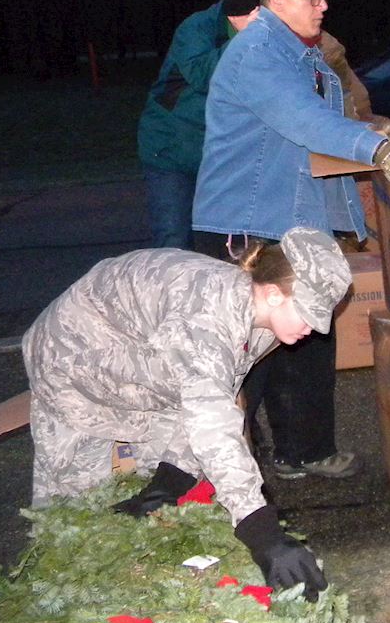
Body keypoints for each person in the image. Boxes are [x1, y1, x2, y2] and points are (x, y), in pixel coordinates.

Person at [193, 0, 390, 480]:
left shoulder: (303, 53)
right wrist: (379, 152)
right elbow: (304, 121)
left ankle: (304, 452)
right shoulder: (259, 54)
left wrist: (378, 137)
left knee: (305, 344)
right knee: (245, 358)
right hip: (248, 226)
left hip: (288, 218)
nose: (323, 6)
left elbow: (328, 125)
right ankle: (219, 476)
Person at [21, 227, 352, 600]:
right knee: (74, 516)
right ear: (274, 294)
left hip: (146, 367)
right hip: (72, 364)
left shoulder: (260, 314)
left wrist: (169, 482)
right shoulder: (207, 320)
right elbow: (212, 427)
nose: (314, 330)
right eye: (308, 315)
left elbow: (212, 398)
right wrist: (264, 535)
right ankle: (45, 602)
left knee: (150, 498)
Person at [137, 0, 259, 249]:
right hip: (170, 150)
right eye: (257, 17)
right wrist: (247, 39)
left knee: (227, 243)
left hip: (218, 155)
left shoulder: (255, 36)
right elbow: (203, 75)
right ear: (238, 14)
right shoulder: (196, 28)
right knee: (174, 240)